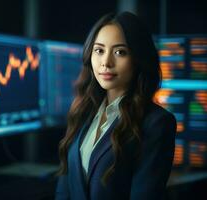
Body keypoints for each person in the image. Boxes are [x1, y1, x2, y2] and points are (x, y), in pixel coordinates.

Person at [55, 11, 177, 200]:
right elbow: (64, 189)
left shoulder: (157, 123)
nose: (106, 62)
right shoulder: (83, 111)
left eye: (120, 52)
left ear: (138, 58)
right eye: (99, 50)